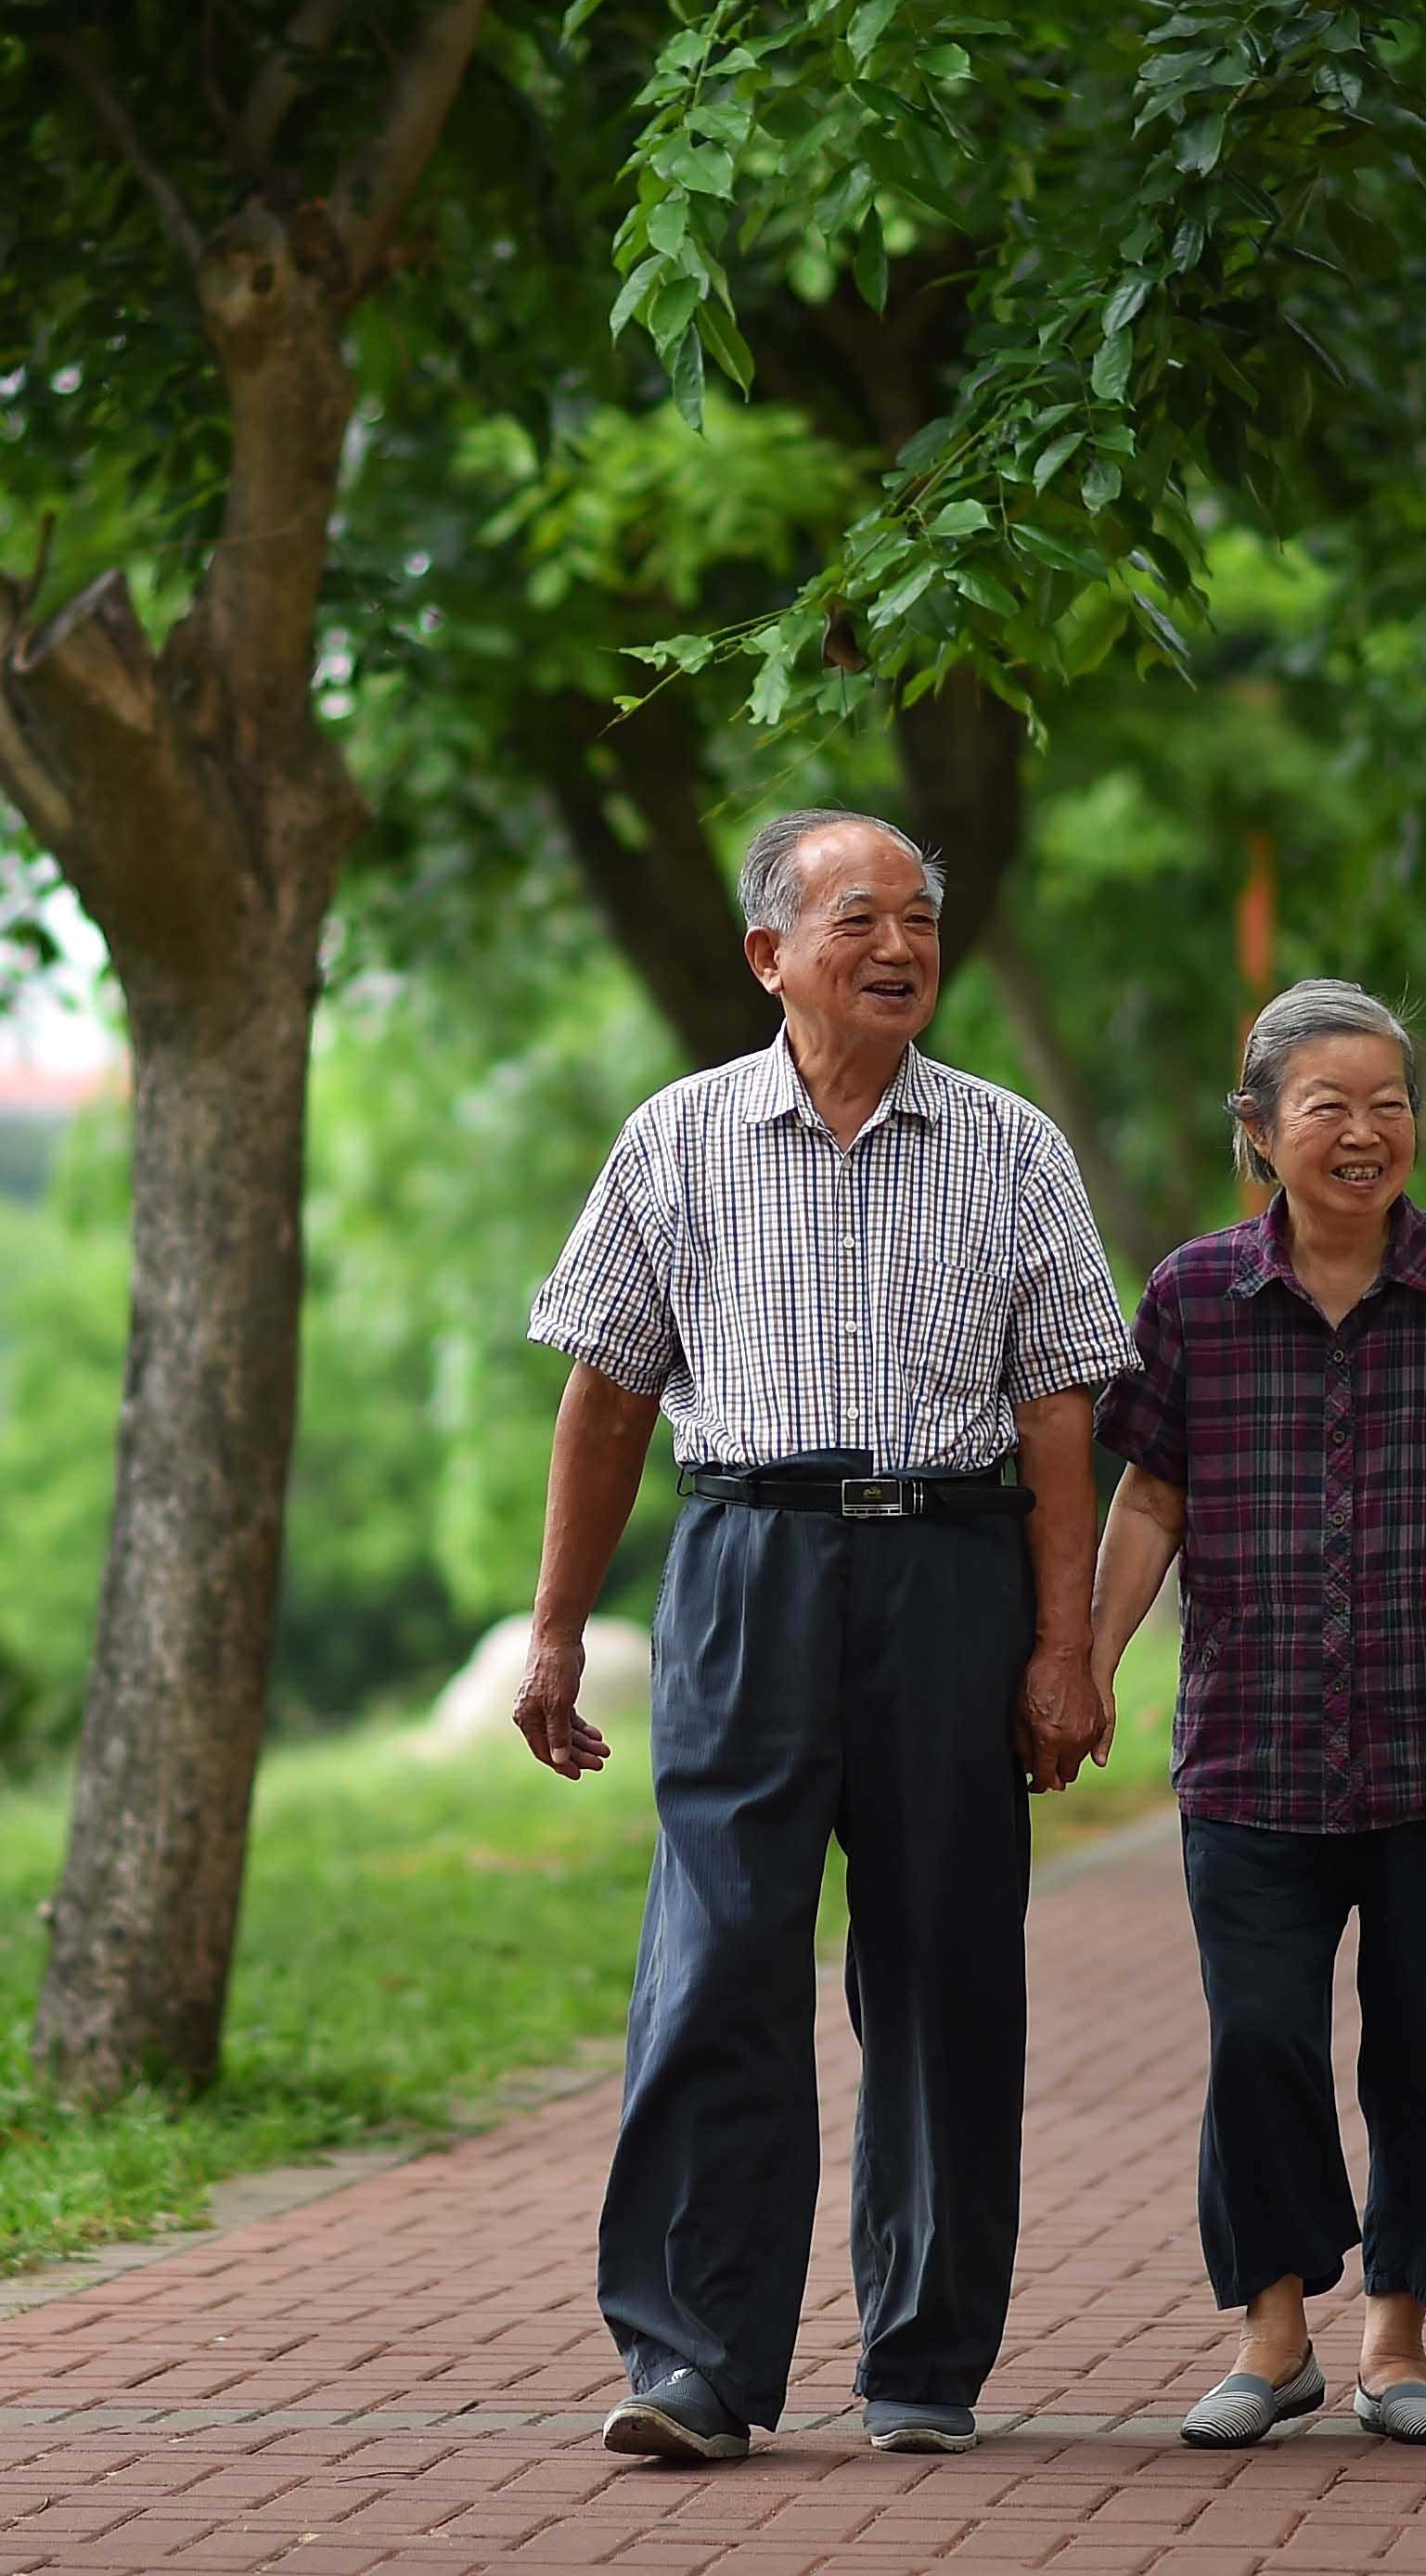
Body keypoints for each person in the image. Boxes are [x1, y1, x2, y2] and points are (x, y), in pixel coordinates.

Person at [511, 807, 1133, 2467]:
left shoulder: (1010, 1146)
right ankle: (697, 2359)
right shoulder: (677, 1137)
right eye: (858, 914)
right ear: (767, 951)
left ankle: (921, 2355)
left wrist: (1062, 1645)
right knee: (715, 1956)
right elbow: (604, 1391)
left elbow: (1062, 1413)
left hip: (949, 1568)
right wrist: (555, 1631)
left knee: (942, 1964)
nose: (899, 945)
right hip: (743, 1564)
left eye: (919, 916)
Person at [1082, 980, 1426, 2451]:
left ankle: (1397, 2343)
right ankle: (1275, 2331)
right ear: (1260, 1132)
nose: (1365, 1133)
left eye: (1389, 1107)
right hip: (1253, 1742)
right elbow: (1151, 1493)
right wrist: (1094, 1659)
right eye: (1329, 1108)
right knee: (1260, 2039)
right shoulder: (1191, 1296)